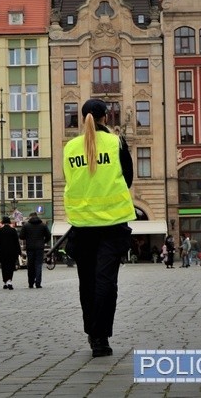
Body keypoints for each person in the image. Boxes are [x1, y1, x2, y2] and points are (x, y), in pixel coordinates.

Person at [63, 99, 134, 358]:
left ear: (83, 119)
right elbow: (128, 177)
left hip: (82, 224)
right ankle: (102, 337)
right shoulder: (116, 142)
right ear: (107, 117)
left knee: (87, 283)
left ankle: (93, 334)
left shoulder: (70, 147)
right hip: (112, 224)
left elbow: (70, 180)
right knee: (106, 282)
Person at [20, 212, 51, 288]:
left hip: (30, 248)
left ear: (30, 217)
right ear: (37, 216)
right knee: (38, 265)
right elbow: (48, 235)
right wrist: (43, 241)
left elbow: (21, 236)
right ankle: (38, 283)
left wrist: (27, 238)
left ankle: (30, 283)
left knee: (30, 266)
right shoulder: (43, 225)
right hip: (40, 248)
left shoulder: (26, 225)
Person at [0, 216, 21, 290]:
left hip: (2, 252)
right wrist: (19, 252)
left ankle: (5, 282)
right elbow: (16, 242)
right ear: (9, 222)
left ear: (3, 222)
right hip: (12, 252)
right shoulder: (13, 231)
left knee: (4, 267)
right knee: (11, 267)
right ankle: (9, 281)